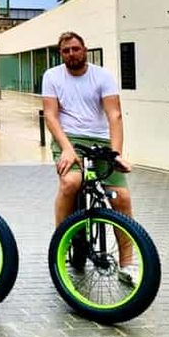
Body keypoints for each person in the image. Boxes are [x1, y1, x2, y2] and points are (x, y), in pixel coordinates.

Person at [41, 31, 135, 283]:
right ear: (61, 54)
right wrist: (67, 148)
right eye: (66, 51)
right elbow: (50, 115)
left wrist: (115, 153)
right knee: (71, 182)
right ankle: (60, 246)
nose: (71, 54)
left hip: (101, 140)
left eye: (75, 49)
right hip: (69, 139)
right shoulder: (52, 76)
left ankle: (127, 264)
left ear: (84, 49)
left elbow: (114, 115)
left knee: (122, 197)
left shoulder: (102, 76)